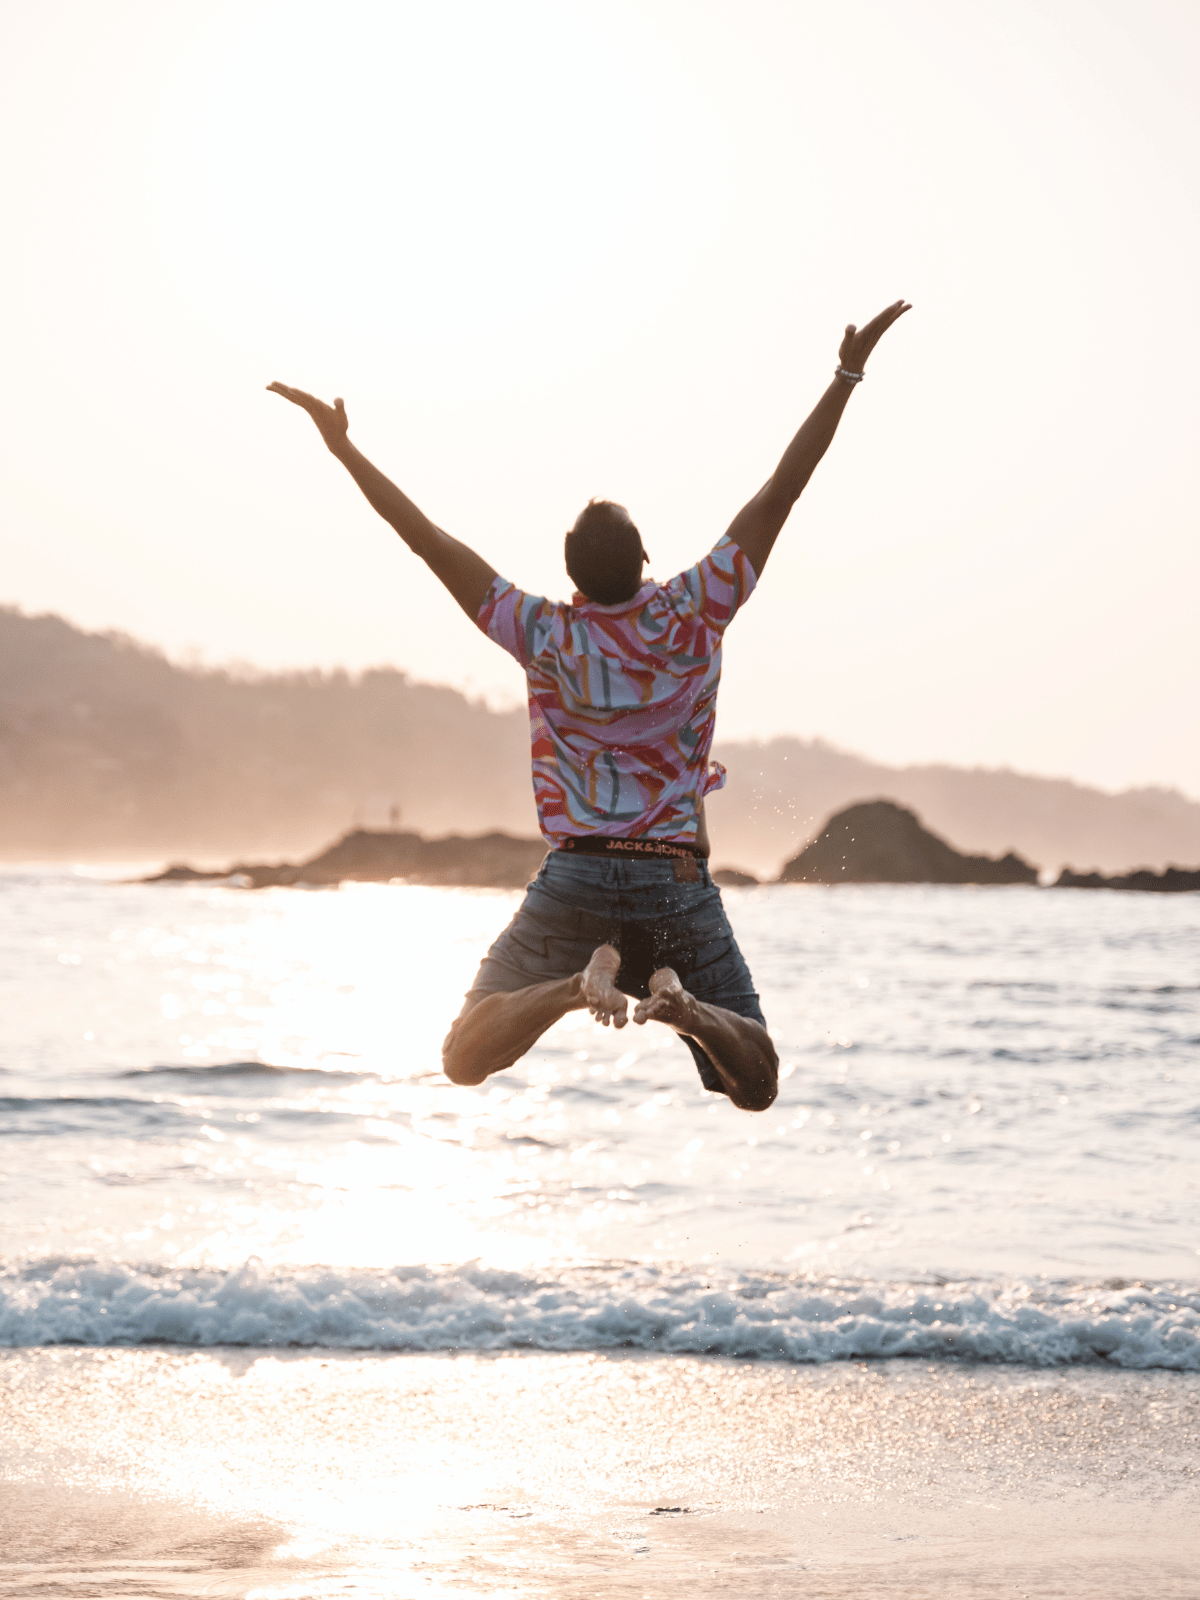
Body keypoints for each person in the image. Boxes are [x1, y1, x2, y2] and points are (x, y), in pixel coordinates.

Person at [268, 299, 909, 1112]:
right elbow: (783, 491)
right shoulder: (695, 608)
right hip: (675, 878)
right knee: (757, 1085)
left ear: (571, 578)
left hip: (575, 872)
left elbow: (428, 542)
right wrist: (845, 376)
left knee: (464, 1059)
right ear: (647, 562)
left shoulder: (543, 632)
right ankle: (685, 1010)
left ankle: (577, 987)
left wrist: (344, 450)